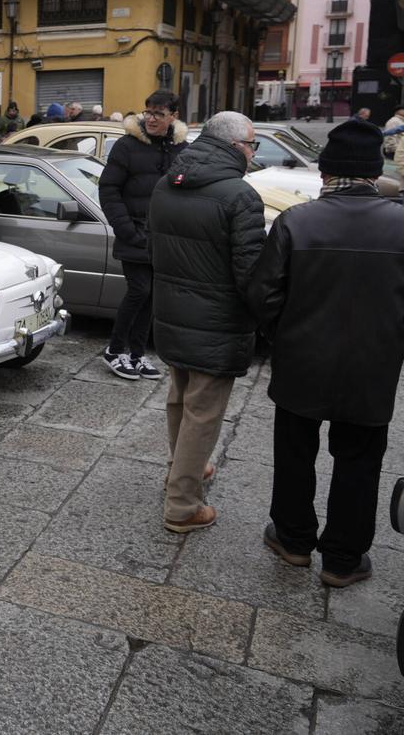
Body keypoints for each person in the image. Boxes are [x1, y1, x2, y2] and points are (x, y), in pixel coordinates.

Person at [249, 118, 404, 587]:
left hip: (302, 360)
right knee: (360, 460)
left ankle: (294, 541)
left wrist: (285, 335)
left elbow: (262, 295)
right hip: (373, 366)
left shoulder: (297, 220)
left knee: (295, 452)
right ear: (375, 173)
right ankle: (342, 558)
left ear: (325, 172)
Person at [148, 111, 266, 533]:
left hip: (172, 312)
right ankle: (182, 505)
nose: (254, 153)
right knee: (204, 411)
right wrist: (266, 317)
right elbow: (251, 272)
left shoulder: (167, 183)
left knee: (180, 398)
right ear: (234, 147)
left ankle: (180, 469)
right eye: (253, 145)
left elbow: (153, 247)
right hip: (217, 320)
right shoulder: (240, 196)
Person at [99, 89, 188, 380]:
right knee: (140, 291)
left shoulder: (180, 148)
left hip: (163, 237)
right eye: (148, 112)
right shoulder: (126, 146)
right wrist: (125, 228)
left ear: (173, 117)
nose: (151, 118)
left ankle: (137, 354)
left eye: (159, 114)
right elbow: (108, 189)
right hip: (135, 233)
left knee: (151, 297)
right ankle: (114, 350)